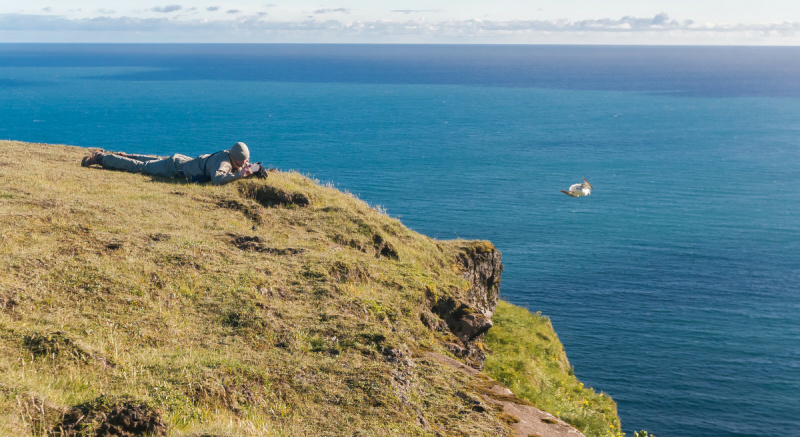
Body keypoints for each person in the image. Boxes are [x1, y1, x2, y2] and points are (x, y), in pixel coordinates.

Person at [81, 142, 255, 185]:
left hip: (181, 161)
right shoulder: (224, 163)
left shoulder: (228, 155)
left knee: (148, 161)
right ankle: (101, 158)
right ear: (235, 157)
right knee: (141, 167)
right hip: (176, 168)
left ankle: (124, 155)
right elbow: (217, 179)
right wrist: (239, 175)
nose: (246, 162)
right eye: (244, 160)